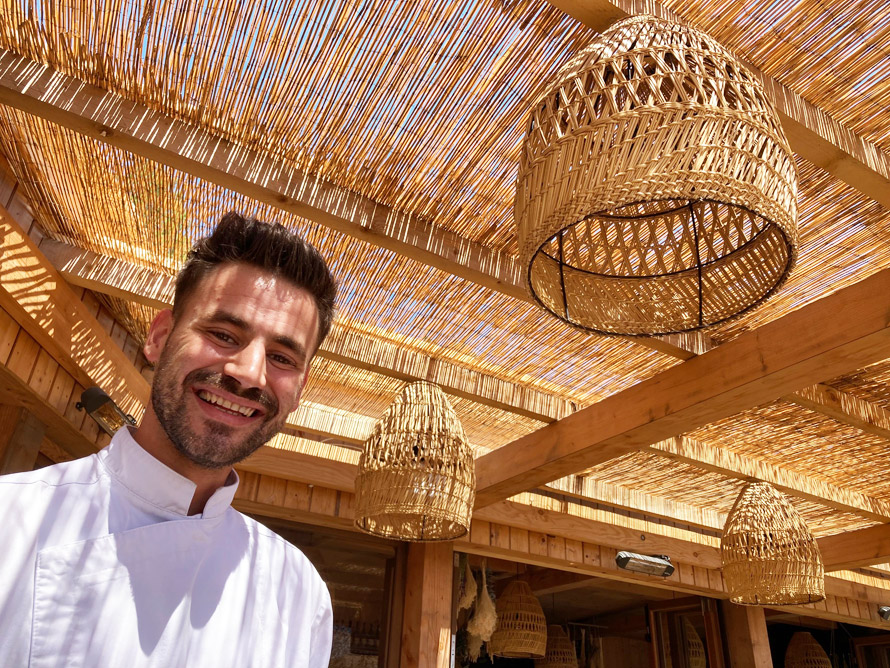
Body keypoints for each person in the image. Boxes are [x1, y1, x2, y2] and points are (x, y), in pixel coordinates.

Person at [0, 212, 337, 666]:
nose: (250, 374)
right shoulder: (13, 522)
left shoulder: (298, 592)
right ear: (160, 337)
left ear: (298, 390)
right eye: (223, 334)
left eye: (281, 358)